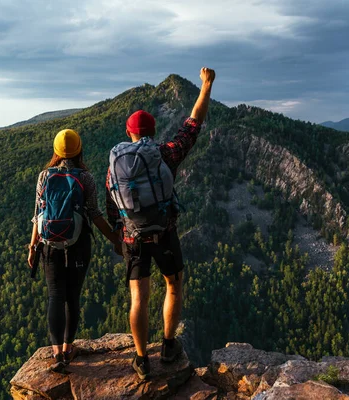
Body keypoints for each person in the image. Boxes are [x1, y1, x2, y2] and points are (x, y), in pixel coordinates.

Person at [105, 67, 216, 379]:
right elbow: (193, 124)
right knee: (174, 286)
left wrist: (118, 235)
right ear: (152, 132)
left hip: (132, 238)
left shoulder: (117, 164)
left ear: (129, 133)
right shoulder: (166, 153)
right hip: (165, 234)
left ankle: (141, 359)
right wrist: (206, 85)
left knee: (138, 296)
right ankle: (168, 347)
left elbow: (112, 205)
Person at [28, 128, 121, 373]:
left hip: (49, 246)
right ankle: (69, 349)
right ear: (79, 149)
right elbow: (95, 215)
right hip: (79, 245)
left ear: (56, 151)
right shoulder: (85, 178)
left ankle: (57, 354)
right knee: (72, 298)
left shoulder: (44, 176)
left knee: (55, 296)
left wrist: (32, 246)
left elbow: (38, 215)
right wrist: (115, 240)